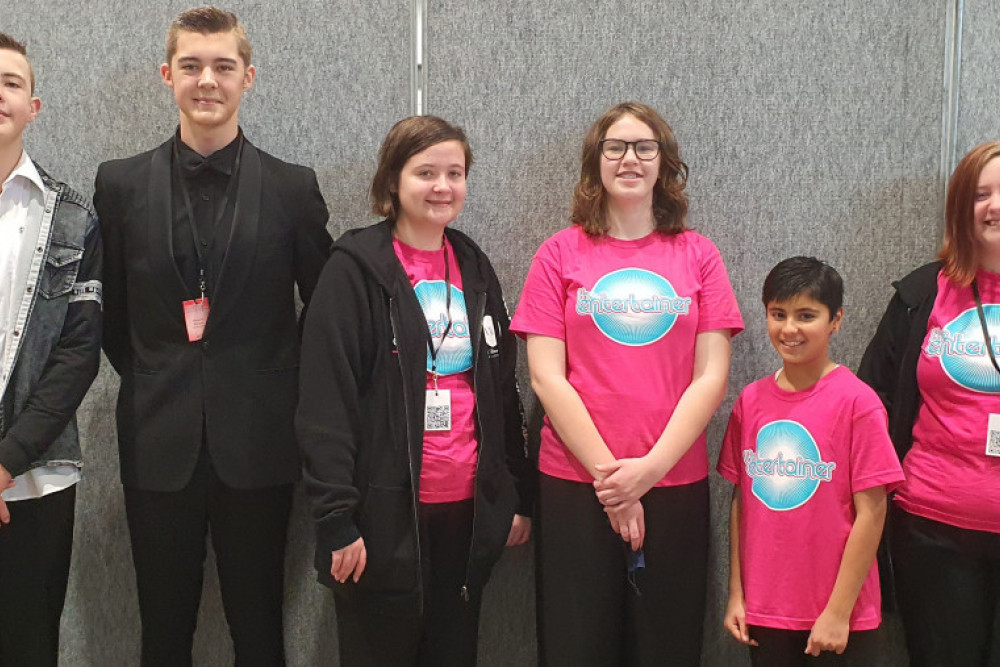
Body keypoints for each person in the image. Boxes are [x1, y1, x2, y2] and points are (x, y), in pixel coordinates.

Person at [94, 7, 332, 665]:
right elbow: (107, 315)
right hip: (155, 439)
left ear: (248, 77)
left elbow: (329, 307)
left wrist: (281, 373)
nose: (207, 80)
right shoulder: (118, 184)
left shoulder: (292, 188)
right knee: (161, 632)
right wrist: (154, 369)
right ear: (167, 74)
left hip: (260, 440)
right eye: (192, 66)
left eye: (223, 66)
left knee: (261, 632)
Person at [511, 101, 743, 665]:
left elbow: (711, 377)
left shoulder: (699, 254)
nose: (630, 159)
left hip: (673, 482)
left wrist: (647, 473)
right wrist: (613, 483)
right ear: (597, 163)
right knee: (576, 644)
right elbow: (546, 377)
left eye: (644, 147)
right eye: (615, 147)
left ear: (664, 162)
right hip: (574, 484)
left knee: (665, 644)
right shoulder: (558, 253)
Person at [296, 115, 532, 666]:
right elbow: (324, 405)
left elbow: (502, 390)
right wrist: (336, 519)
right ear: (393, 181)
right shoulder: (354, 271)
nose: (442, 186)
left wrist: (514, 493)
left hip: (467, 514)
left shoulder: (473, 265)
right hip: (381, 518)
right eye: (426, 172)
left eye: (455, 172)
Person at [719, 257, 903, 666]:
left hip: (840, 617)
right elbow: (740, 503)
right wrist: (737, 593)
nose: (789, 329)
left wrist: (838, 613)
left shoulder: (858, 403)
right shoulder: (750, 403)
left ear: (835, 320)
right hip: (766, 612)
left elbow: (872, 512)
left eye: (806, 316)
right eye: (778, 314)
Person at [858, 140, 1000, 666]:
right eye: (981, 194)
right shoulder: (922, 294)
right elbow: (869, 401)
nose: (995, 206)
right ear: (961, 208)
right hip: (935, 529)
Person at [0, 32, 102, 667]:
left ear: (33, 106)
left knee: (29, 643)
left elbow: (78, 354)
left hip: (34, 476)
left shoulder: (73, 218)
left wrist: (6, 460)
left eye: (10, 82)